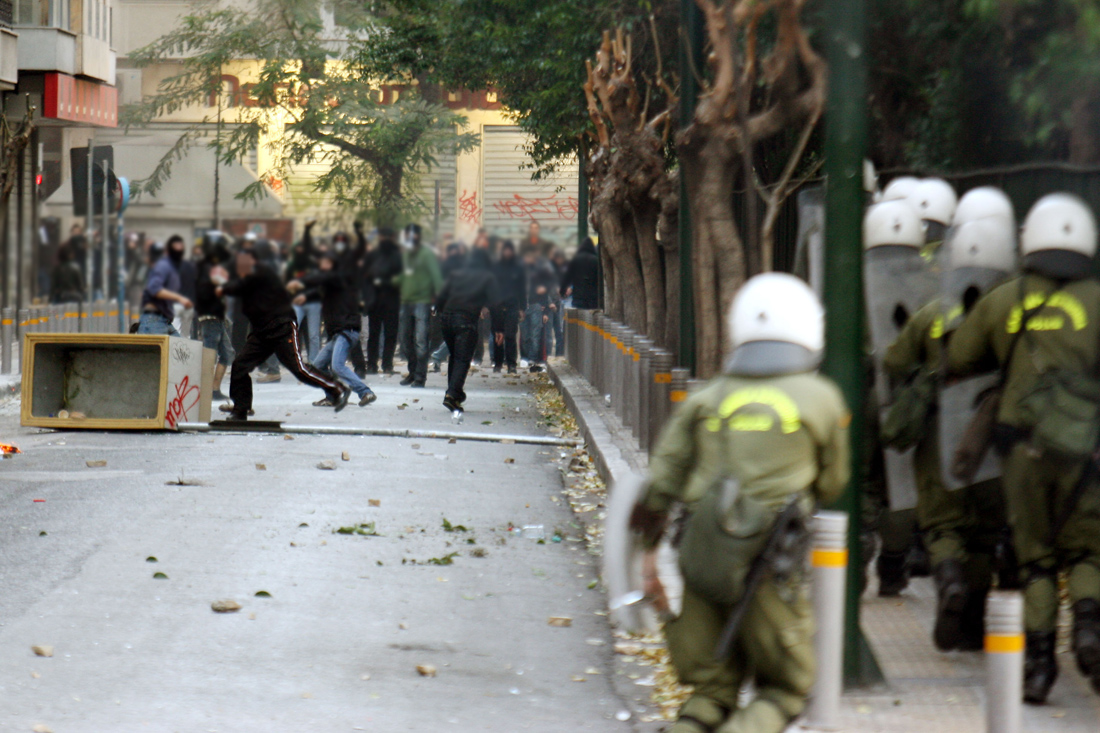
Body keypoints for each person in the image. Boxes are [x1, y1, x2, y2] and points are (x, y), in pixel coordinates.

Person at [632, 273, 850, 733]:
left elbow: (662, 479)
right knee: (787, 688)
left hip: (701, 555)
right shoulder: (822, 400)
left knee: (710, 691)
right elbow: (833, 482)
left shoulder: (706, 398)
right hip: (770, 565)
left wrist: (647, 554)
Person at [947, 193, 1100, 704]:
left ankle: (1038, 669)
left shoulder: (1004, 299)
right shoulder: (1098, 299)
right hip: (1086, 454)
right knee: (1085, 552)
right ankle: (1088, 629)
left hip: (1023, 452)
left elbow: (961, 355)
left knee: (1035, 559)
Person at [217, 248, 349, 421]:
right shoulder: (243, 279)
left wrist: (223, 288)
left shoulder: (262, 273)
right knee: (240, 365)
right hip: (261, 333)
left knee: (299, 369)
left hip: (282, 326)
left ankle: (337, 388)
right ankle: (241, 410)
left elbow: (241, 285)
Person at [287, 230, 377, 408]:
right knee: (318, 366)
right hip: (337, 332)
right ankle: (333, 396)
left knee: (337, 366)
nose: (322, 265)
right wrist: (305, 296)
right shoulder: (331, 279)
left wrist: (301, 282)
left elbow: (323, 279)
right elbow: (321, 288)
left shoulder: (339, 276)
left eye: (325, 262)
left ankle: (365, 392)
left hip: (346, 329)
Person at [435, 249, 499, 414]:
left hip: (447, 319)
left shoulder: (455, 274)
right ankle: (451, 394)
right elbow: (495, 304)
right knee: (462, 359)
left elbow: (441, 296)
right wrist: (499, 328)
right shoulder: (487, 277)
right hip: (466, 321)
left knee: (454, 356)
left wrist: (441, 313)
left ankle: (454, 394)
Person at [398, 223, 443, 388]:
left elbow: (436, 277)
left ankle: (420, 377)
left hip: (422, 301)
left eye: (413, 235)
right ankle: (412, 372)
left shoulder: (426, 254)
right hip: (405, 301)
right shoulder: (404, 255)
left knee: (421, 340)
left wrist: (437, 301)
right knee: (405, 339)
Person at [194, 236, 236, 401]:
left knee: (226, 353)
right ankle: (207, 390)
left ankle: (213, 390)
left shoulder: (208, 266)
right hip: (210, 314)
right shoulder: (207, 267)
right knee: (210, 353)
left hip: (215, 314)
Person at [365, 227, 403, 375]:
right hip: (386, 300)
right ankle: (383, 364)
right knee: (385, 334)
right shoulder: (393, 255)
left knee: (379, 334)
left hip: (382, 299)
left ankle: (375, 364)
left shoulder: (377, 255)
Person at [137, 236, 192, 335]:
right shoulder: (163, 266)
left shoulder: (172, 269)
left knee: (180, 349)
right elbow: (154, 288)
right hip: (154, 320)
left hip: (164, 320)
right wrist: (180, 298)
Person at [520, 248, 559, 372]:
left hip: (535, 306)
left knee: (535, 335)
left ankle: (532, 358)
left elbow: (545, 293)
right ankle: (526, 357)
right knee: (525, 335)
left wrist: (546, 310)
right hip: (524, 307)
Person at [491, 240, 526, 374]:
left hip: (512, 306)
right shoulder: (495, 267)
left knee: (511, 335)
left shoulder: (518, 268)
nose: (507, 253)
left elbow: (522, 289)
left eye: (509, 250)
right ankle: (498, 363)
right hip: (497, 306)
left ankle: (511, 364)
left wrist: (522, 307)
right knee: (498, 335)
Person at [561, 237, 600, 310]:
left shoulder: (576, 260)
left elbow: (567, 277)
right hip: (593, 298)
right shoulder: (595, 260)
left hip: (578, 297)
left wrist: (562, 291)